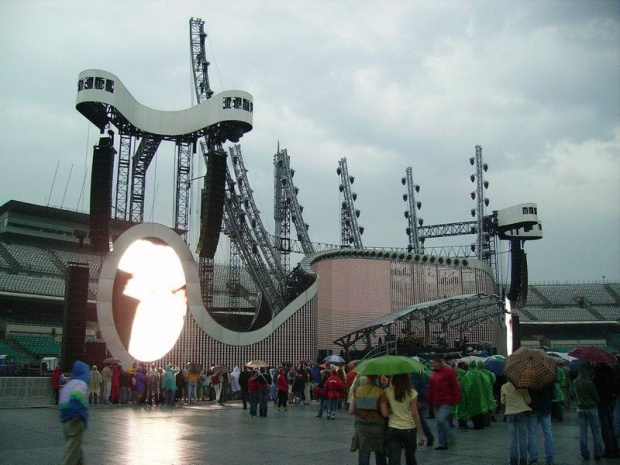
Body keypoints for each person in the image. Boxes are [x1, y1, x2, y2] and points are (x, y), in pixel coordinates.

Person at [379, 373, 426, 465]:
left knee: (394, 459)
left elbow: (385, 413)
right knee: (410, 457)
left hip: (393, 428)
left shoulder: (387, 392)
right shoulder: (412, 392)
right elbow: (415, 413)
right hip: (409, 428)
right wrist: (421, 433)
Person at [349, 375, 388, 465]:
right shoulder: (380, 392)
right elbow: (384, 413)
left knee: (364, 455)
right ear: (376, 378)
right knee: (380, 453)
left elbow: (351, 411)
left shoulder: (358, 391)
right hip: (377, 428)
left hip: (362, 427)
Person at [59, 360, 90, 465]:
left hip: (65, 420)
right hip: (75, 420)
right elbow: (75, 396)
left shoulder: (69, 384)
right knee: (71, 452)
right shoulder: (81, 383)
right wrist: (75, 414)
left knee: (76, 449)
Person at [426, 356, 461, 450]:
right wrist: (428, 399)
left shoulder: (448, 372)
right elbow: (431, 388)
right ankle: (442, 443)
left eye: (433, 362)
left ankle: (449, 438)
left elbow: (455, 386)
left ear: (439, 362)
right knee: (440, 422)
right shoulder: (433, 374)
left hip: (446, 400)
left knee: (441, 421)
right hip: (437, 401)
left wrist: (456, 397)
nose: (431, 364)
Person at [573, 363, 604, 460]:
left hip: (580, 409)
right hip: (591, 408)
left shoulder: (575, 382)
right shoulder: (589, 383)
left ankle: (584, 453)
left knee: (583, 432)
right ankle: (598, 453)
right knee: (595, 431)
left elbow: (573, 394)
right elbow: (596, 397)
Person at [501, 380, 531, 465]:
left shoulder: (504, 386)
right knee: (523, 438)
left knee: (513, 438)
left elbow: (502, 401)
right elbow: (528, 401)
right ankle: (523, 460)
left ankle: (513, 461)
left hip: (510, 413)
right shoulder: (522, 386)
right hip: (522, 412)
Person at [593, 363, 620, 458]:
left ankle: (609, 450)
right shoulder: (612, 372)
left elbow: (597, 389)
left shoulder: (599, 374)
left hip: (603, 402)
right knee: (611, 425)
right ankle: (616, 449)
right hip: (612, 401)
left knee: (605, 427)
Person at [527, 382, 556, 465]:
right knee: (548, 433)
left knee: (532, 433)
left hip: (532, 409)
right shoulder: (548, 380)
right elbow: (554, 395)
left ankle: (533, 457)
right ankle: (550, 458)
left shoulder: (529, 379)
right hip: (546, 409)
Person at [410, 370, 435, 447]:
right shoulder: (400, 375)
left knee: (420, 420)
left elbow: (423, 389)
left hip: (417, 401)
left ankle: (429, 437)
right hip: (405, 402)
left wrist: (421, 401)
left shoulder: (417, 375)